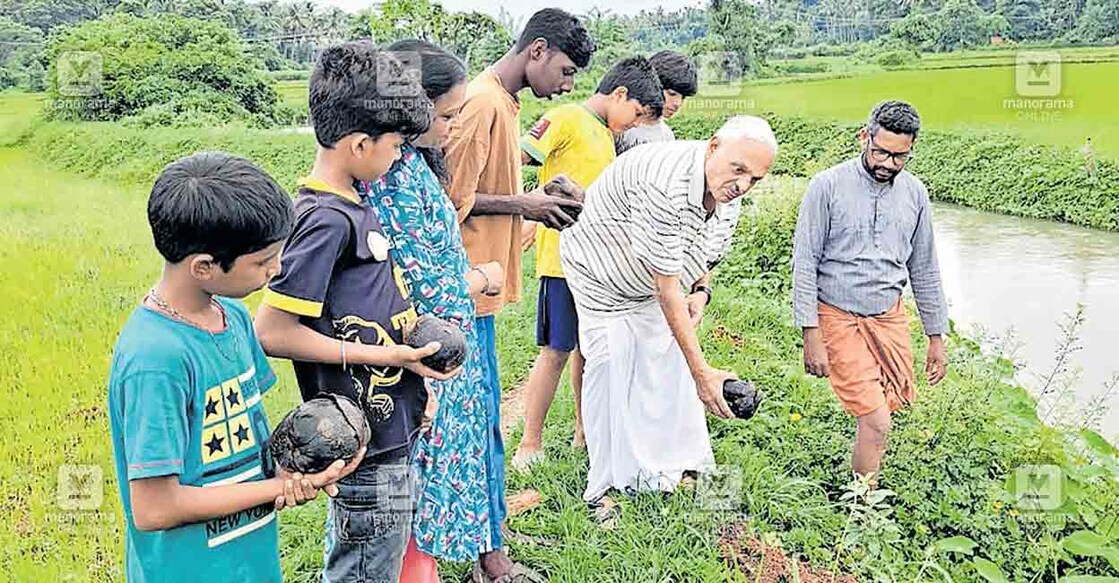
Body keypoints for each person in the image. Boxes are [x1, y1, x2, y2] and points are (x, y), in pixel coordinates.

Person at [253, 42, 457, 583]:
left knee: (379, 559)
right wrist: (384, 353)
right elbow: (272, 330)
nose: (399, 156)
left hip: (389, 427)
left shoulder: (355, 202)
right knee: (364, 568)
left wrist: (413, 378)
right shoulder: (324, 220)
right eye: (395, 145)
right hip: (362, 442)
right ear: (360, 143)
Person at [108, 152, 360, 582]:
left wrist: (289, 470)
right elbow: (154, 508)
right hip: (190, 570)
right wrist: (276, 490)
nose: (276, 269)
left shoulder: (234, 317)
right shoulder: (155, 358)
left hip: (251, 557)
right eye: (263, 262)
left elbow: (249, 436)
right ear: (204, 266)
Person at [559, 115, 778, 513]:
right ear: (713, 147)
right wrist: (703, 373)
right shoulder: (666, 183)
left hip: (656, 278)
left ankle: (678, 465)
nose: (742, 185)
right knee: (610, 364)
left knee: (668, 362)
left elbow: (704, 247)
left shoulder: (727, 194)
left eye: (754, 179)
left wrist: (701, 291)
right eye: (739, 170)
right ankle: (605, 487)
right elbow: (665, 290)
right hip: (602, 273)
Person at [442, 8, 594, 581]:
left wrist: (536, 193)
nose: (569, 84)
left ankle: (490, 534)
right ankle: (491, 559)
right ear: (536, 50)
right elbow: (452, 201)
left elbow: (489, 187)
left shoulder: (505, 106)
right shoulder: (481, 102)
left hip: (484, 291)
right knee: (476, 424)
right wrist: (525, 205)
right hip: (463, 291)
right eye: (566, 69)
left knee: (483, 420)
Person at [363, 39, 506, 582]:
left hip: (441, 355)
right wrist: (480, 278)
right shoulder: (392, 178)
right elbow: (423, 285)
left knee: (424, 499)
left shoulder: (412, 166)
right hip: (425, 358)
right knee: (416, 495)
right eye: (446, 114)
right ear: (410, 107)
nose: (453, 125)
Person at [512, 55, 665, 471]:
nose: (634, 123)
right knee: (556, 351)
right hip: (562, 263)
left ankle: (586, 429)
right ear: (619, 94)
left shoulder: (606, 136)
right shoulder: (565, 118)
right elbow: (516, 158)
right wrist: (523, 211)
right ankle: (530, 441)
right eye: (635, 113)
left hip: (597, 269)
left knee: (588, 351)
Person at [792, 100, 949, 485]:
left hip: (889, 317)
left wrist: (936, 337)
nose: (888, 164)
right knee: (877, 420)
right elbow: (805, 261)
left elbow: (924, 267)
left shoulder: (915, 194)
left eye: (900, 156)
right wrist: (809, 334)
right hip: (837, 316)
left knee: (886, 409)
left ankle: (865, 473)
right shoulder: (826, 187)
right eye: (881, 152)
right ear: (864, 137)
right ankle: (864, 509)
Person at [615, 50, 698, 155]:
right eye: (671, 94)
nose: (677, 103)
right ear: (652, 83)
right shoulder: (620, 125)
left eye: (683, 97)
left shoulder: (666, 137)